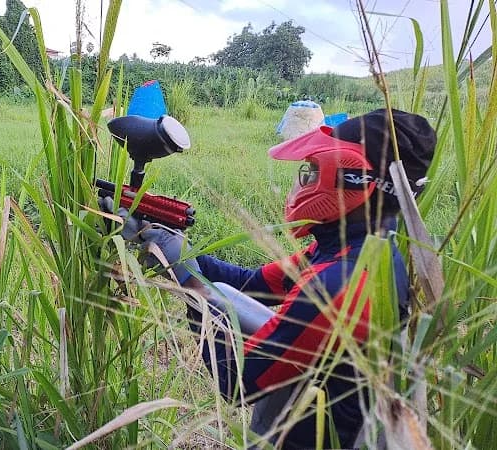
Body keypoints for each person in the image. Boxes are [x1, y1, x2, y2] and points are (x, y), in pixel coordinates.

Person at [116, 109, 436, 449]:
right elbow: (250, 284)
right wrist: (178, 249)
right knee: (223, 292)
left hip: (308, 440)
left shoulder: (342, 284)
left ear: (353, 180)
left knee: (217, 299)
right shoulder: (358, 248)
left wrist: (188, 281)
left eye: (313, 171)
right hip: (315, 411)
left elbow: (237, 381)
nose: (305, 180)